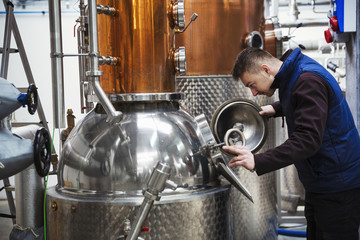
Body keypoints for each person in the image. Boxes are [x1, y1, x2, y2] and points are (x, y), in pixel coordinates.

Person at [223, 47, 360, 240]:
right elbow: (303, 102)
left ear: (265, 69)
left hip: (337, 185)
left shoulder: (306, 80)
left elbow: (307, 140)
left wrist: (258, 160)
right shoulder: (294, 74)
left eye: (252, 84)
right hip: (321, 181)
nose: (253, 93)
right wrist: (276, 108)